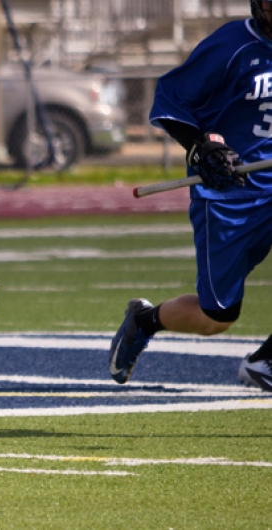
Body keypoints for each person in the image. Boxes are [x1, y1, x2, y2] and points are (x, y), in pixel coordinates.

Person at [107, 0, 272, 391]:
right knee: (217, 316)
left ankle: (265, 361)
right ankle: (146, 320)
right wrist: (199, 146)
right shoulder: (231, 46)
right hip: (231, 199)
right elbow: (169, 101)